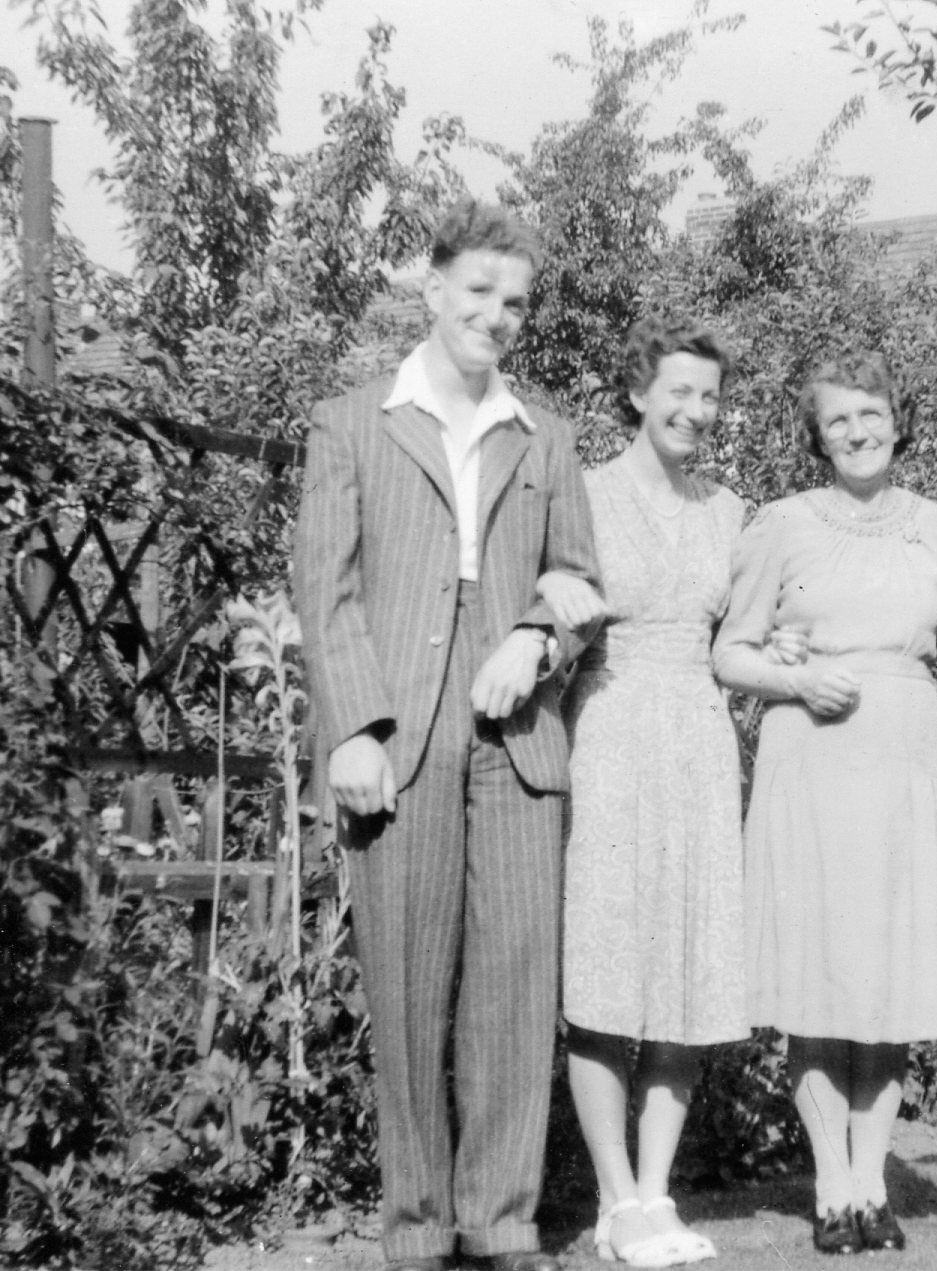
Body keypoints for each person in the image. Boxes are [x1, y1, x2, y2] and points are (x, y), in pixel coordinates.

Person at [293, 200, 599, 1271]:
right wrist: (353, 731)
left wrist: (536, 636)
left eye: (515, 302)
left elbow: (580, 579)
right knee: (410, 980)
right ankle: (418, 1226)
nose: (496, 316)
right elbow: (325, 593)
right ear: (431, 291)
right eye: (478, 293)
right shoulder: (354, 421)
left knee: (517, 982)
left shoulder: (546, 434)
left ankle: (503, 1221)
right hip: (401, 726)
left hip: (516, 734)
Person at [713, 351, 937, 1256]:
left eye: (871, 414)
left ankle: (871, 1176)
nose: (857, 432)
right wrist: (797, 678)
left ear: (898, 418)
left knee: (886, 976)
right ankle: (830, 1182)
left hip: (898, 756)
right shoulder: (779, 524)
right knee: (818, 975)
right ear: (816, 436)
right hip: (808, 756)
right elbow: (730, 652)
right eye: (837, 421)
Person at [536, 316, 745, 1268]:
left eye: (708, 396)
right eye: (679, 392)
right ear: (637, 392)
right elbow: (552, 613)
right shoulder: (585, 497)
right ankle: (612, 1198)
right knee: (610, 964)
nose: (695, 411)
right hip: (612, 735)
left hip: (700, 741)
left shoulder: (728, 510)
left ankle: (656, 1192)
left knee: (687, 969)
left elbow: (740, 634)